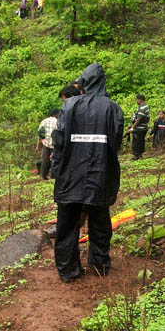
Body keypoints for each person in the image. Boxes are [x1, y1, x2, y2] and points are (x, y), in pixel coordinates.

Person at [52, 63, 123, 282]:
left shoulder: (69, 106)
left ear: (83, 84)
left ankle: (68, 271)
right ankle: (100, 265)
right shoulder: (112, 108)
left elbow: (59, 140)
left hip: (70, 176)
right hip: (100, 176)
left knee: (67, 226)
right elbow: (116, 142)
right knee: (100, 223)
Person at [36, 109, 59, 180]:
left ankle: (43, 176)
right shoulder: (58, 122)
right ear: (56, 114)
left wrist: (38, 146)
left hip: (45, 144)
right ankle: (53, 177)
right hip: (55, 145)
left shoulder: (44, 121)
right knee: (54, 160)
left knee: (45, 160)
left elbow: (41, 135)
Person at [128, 94, 150, 160]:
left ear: (139, 100)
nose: (136, 101)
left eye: (136, 100)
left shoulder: (142, 108)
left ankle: (137, 156)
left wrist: (133, 128)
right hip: (141, 127)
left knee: (137, 143)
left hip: (140, 129)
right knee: (139, 142)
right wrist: (132, 125)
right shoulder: (143, 106)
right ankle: (139, 155)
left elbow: (139, 120)